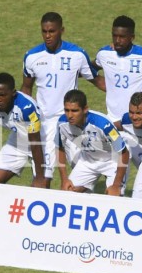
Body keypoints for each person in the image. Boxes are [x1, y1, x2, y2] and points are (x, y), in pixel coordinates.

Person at [21, 12, 105, 187]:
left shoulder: (77, 54)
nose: (48, 36)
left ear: (62, 31)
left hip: (71, 122)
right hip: (45, 123)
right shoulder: (32, 57)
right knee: (43, 177)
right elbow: (26, 87)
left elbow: (97, 81)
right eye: (44, 31)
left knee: (80, 176)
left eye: (52, 31)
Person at [95, 15, 142, 122]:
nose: (117, 40)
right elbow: (88, 69)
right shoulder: (104, 54)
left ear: (132, 37)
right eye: (114, 36)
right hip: (113, 121)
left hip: (140, 122)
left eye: (122, 37)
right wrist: (104, 84)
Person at [56, 89, 129, 196]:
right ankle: (85, 189)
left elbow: (124, 153)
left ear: (85, 109)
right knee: (68, 193)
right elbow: (59, 148)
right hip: (88, 160)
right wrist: (64, 179)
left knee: (114, 197)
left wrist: (116, 185)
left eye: (74, 111)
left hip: (112, 161)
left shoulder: (104, 125)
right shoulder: (62, 123)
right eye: (67, 110)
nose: (70, 115)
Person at [0, 72, 46, 188]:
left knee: (40, 188)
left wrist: (40, 177)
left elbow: (35, 143)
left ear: (13, 93)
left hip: (40, 142)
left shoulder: (26, 107)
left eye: (2, 95)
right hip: (17, 140)